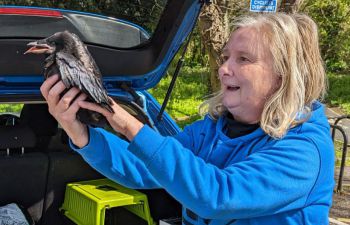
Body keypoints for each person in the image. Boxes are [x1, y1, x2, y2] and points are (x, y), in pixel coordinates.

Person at [40, 13, 334, 225]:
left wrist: (128, 123)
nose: (223, 70)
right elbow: (146, 165)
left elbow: (217, 195)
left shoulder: (305, 150)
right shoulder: (212, 130)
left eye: (243, 59)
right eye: (225, 57)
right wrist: (80, 132)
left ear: (282, 76)